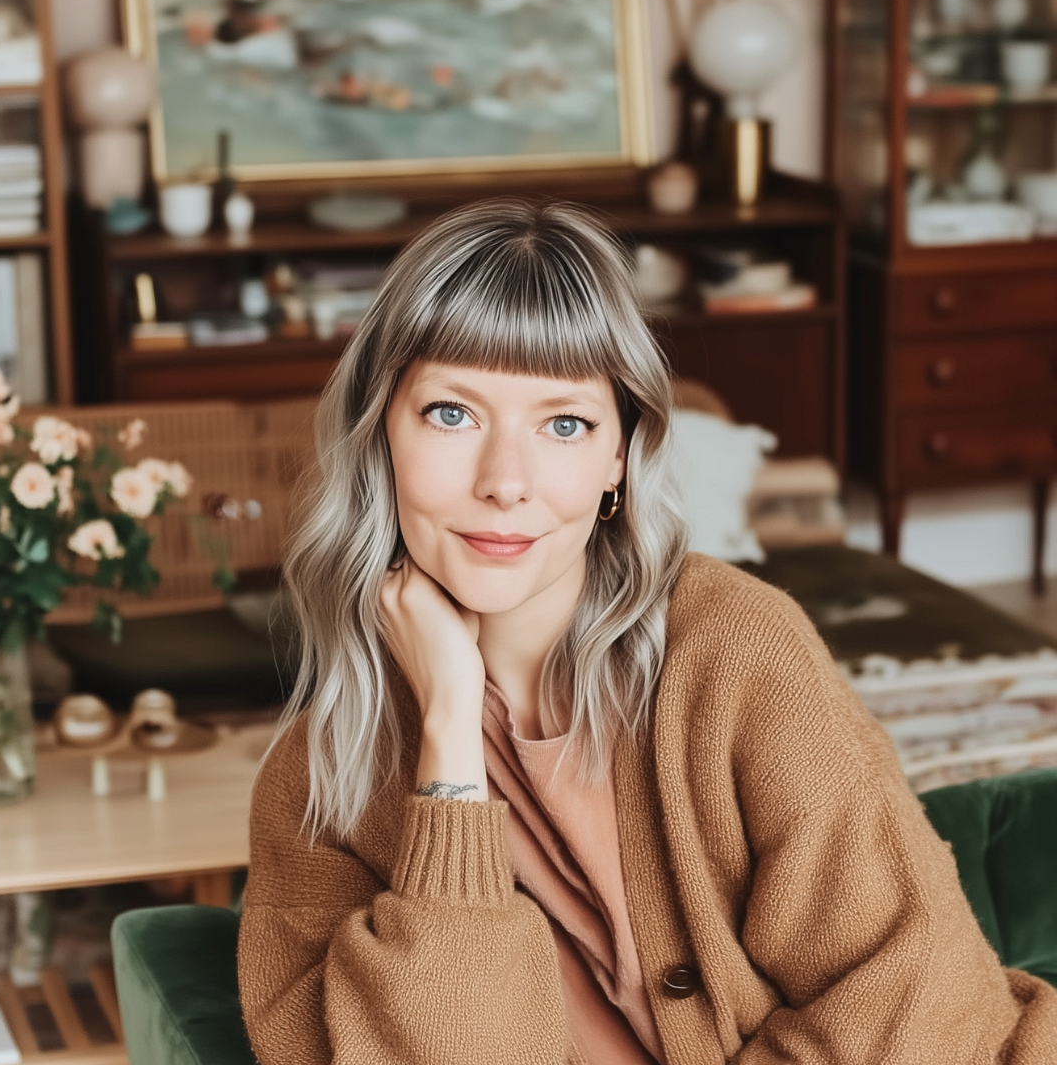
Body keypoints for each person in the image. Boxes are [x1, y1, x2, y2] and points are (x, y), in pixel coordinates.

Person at [239, 199, 1057, 1065]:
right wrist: (447, 737)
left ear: (620, 461)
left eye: (565, 424)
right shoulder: (317, 785)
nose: (506, 481)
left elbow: (914, 991)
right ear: (381, 438)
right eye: (452, 413)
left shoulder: (737, 651)